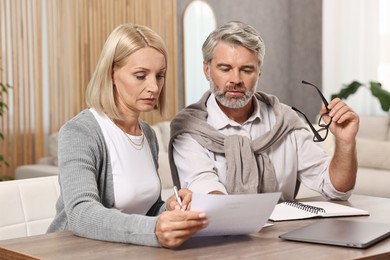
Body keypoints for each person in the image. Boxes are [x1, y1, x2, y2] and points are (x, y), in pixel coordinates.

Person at [47, 23, 207, 248]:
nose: (154, 87)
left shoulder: (148, 135)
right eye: (140, 76)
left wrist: (168, 209)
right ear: (111, 74)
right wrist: (154, 230)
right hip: (73, 252)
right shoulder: (81, 132)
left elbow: (145, 209)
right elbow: (80, 213)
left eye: (159, 76)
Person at [169, 21, 359, 202]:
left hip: (286, 234)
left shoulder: (286, 123)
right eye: (225, 68)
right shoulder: (190, 130)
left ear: (259, 71)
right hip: (222, 233)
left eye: (247, 69)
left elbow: (336, 189)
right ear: (207, 70)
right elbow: (205, 190)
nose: (235, 79)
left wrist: (345, 142)